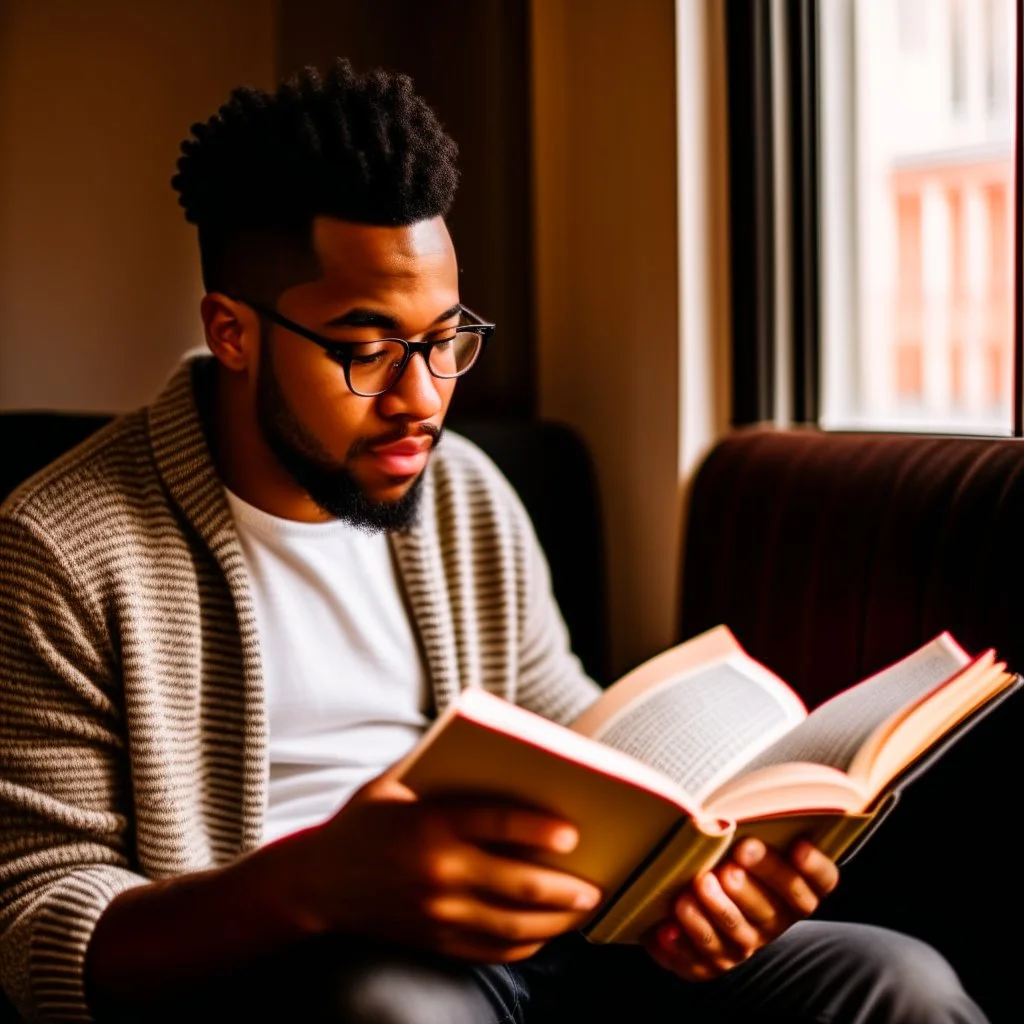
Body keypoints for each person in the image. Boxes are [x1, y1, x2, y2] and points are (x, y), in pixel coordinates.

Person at [0, 58, 989, 1024]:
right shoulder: (59, 548)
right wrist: (310, 884)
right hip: (315, 970)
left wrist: (695, 883)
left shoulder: (466, 493)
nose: (422, 399)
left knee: (893, 979)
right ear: (232, 332)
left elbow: (576, 741)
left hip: (547, 944)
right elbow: (38, 927)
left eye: (446, 339)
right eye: (368, 351)